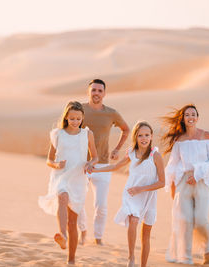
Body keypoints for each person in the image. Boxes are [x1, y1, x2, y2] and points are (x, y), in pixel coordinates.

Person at [92, 121, 165, 267]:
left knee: (146, 235)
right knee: (133, 220)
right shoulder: (131, 153)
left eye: (147, 135)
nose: (144, 138)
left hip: (148, 196)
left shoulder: (155, 155)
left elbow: (162, 182)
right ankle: (131, 258)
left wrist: (141, 189)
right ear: (136, 137)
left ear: (151, 137)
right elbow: (115, 166)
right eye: (140, 135)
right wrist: (95, 169)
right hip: (131, 194)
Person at [38, 101, 98, 264]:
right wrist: (56, 165)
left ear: (82, 118)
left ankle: (71, 259)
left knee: (73, 221)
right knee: (61, 197)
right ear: (66, 117)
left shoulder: (87, 134)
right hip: (61, 175)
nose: (75, 121)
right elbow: (49, 160)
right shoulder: (57, 134)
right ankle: (62, 235)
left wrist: (90, 164)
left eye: (78, 118)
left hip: (78, 177)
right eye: (72, 118)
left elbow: (95, 156)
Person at [162, 104, 209, 265]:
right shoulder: (179, 140)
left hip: (202, 182)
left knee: (200, 220)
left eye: (193, 114)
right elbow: (172, 165)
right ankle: (185, 258)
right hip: (183, 183)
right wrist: (173, 188)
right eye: (187, 115)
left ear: (197, 117)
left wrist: (198, 173)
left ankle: (207, 250)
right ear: (183, 119)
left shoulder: (206, 136)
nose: (190, 117)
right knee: (184, 220)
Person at [78, 79, 130, 246]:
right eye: (93, 90)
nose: (96, 93)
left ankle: (98, 238)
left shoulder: (111, 113)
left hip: (103, 165)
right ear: (88, 92)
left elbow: (126, 129)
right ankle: (83, 231)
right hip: (81, 164)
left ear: (104, 94)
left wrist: (117, 149)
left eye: (100, 91)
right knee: (77, 201)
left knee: (101, 205)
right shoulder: (80, 109)